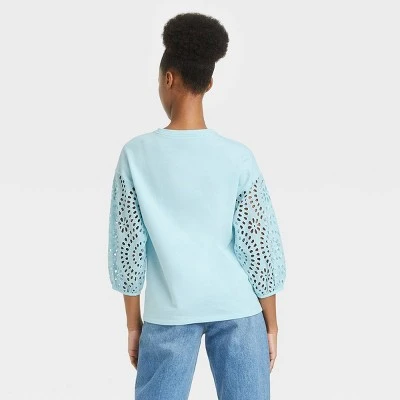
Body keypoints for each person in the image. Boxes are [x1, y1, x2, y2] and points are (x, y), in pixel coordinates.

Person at [108, 12, 287, 400]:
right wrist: (271, 325)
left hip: (168, 314)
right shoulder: (238, 157)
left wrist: (133, 325)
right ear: (209, 83)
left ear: (168, 79)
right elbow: (260, 251)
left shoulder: (135, 155)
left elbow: (128, 252)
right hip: (239, 312)